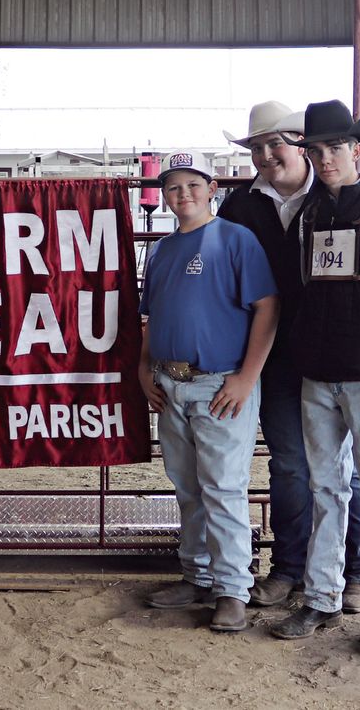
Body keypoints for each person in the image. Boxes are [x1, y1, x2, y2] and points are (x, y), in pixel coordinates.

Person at [219, 101, 360, 611]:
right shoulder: (240, 207)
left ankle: (358, 570)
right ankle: (291, 568)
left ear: (301, 146)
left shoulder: (336, 197)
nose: (267, 155)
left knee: (343, 466)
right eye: (258, 148)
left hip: (337, 351)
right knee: (289, 464)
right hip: (278, 354)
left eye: (276, 144)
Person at [268, 100, 360, 655]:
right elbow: (307, 285)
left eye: (334, 148)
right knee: (325, 485)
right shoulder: (310, 215)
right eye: (316, 150)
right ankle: (322, 597)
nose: (324, 159)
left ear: (357, 149)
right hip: (318, 373)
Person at [139, 150, 279, 632]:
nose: (184, 195)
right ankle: (196, 575)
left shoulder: (235, 240)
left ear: (211, 189)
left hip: (219, 383)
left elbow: (267, 307)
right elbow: (150, 317)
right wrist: (144, 369)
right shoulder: (158, 251)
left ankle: (232, 589)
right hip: (171, 381)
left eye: (193, 185)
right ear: (164, 195)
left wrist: (246, 376)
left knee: (221, 487)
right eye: (174, 187)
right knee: (188, 486)